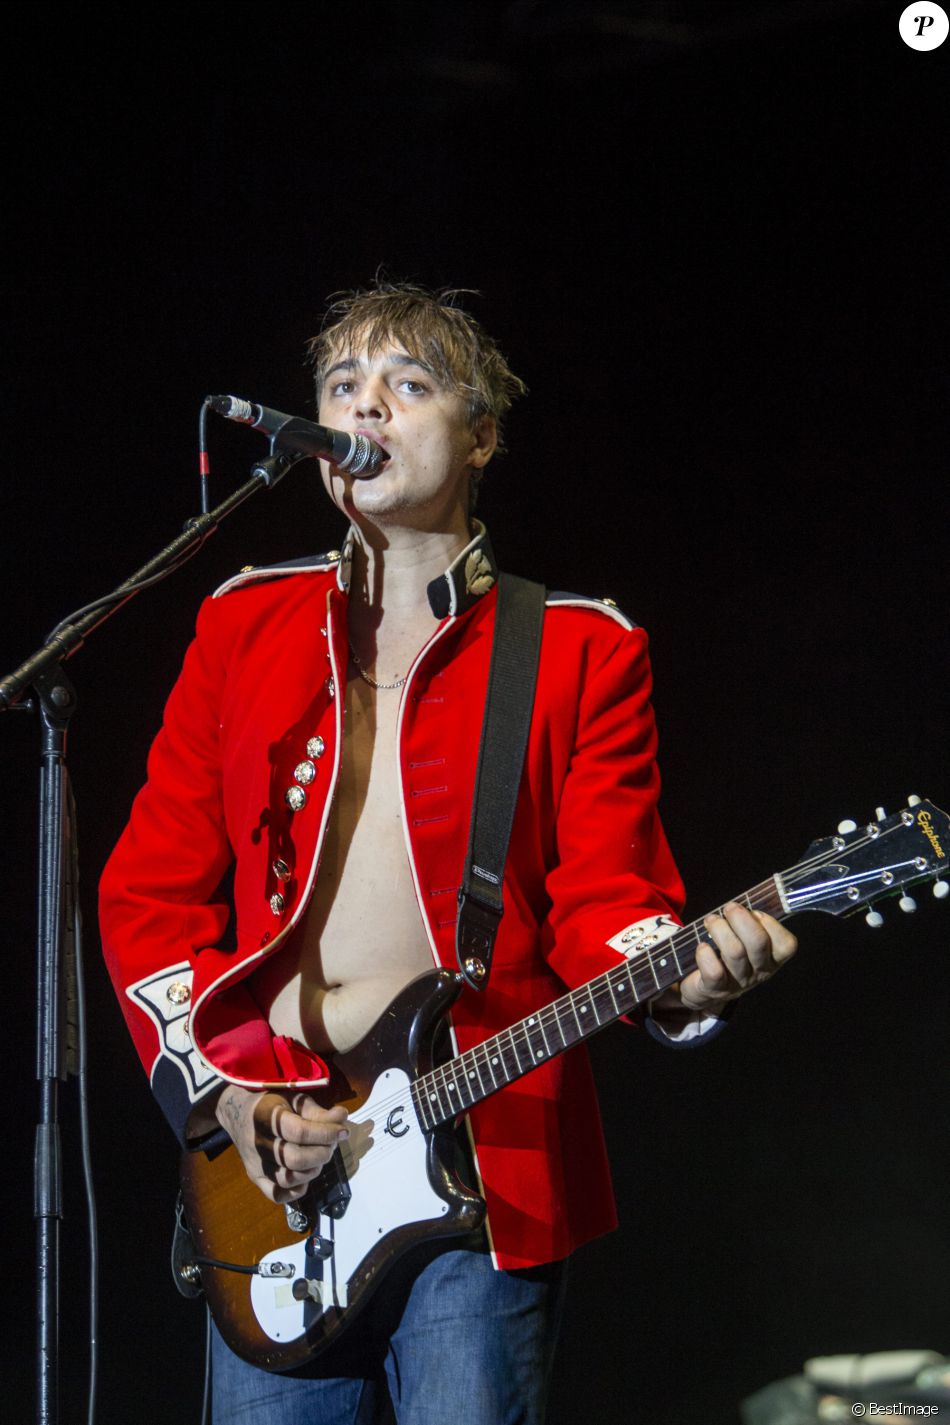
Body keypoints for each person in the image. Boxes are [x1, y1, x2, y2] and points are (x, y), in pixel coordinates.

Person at [99, 282, 797, 1423]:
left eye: (406, 385)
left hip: (486, 1161)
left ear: (481, 435)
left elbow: (606, 901)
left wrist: (682, 972)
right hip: (272, 1172)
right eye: (340, 387)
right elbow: (149, 892)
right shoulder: (241, 623)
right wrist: (227, 1104)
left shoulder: (578, 646)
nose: (363, 406)